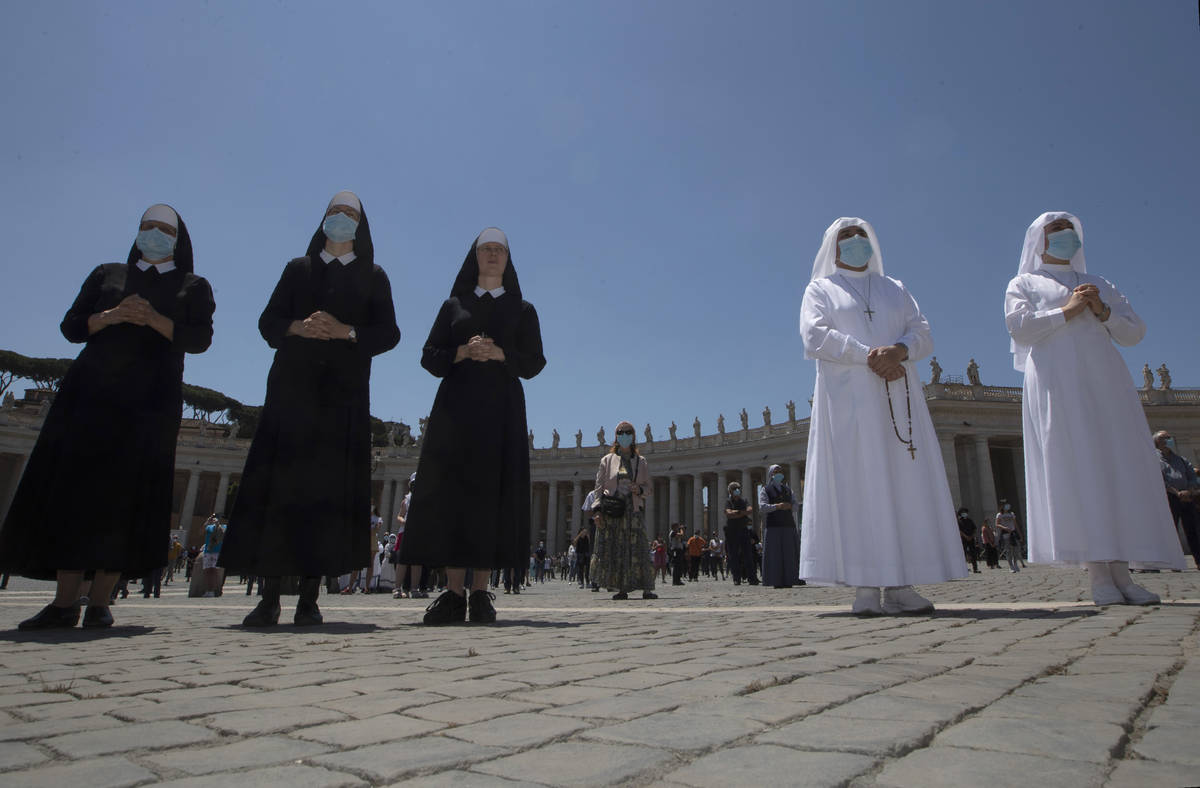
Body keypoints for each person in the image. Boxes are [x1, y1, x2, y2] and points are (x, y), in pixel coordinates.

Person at [0, 204, 214, 629]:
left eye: (163, 229)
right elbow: (72, 326)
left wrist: (154, 319)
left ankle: (101, 601)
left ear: (178, 239)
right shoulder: (107, 274)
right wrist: (113, 316)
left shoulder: (193, 285)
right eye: (146, 227)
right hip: (91, 394)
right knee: (72, 490)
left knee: (126, 495)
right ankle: (63, 602)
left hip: (151, 401)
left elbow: (200, 339)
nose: (154, 233)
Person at [220, 191, 400, 626]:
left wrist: (346, 332)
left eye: (350, 214)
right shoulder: (296, 269)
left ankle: (309, 597)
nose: (341, 219)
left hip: (343, 396)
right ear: (323, 221)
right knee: (281, 488)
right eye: (335, 212)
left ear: (361, 225)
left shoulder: (374, 275)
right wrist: (298, 326)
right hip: (292, 391)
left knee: (326, 493)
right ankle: (268, 597)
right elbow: (268, 322)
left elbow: (390, 333)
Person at [1005, 212, 1185, 604]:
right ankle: (1099, 576)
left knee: (1117, 468)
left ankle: (1124, 574)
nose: (1065, 236)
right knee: (1078, 469)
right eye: (1056, 231)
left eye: (1070, 231)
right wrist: (1068, 310)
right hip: (1057, 383)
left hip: (1106, 383)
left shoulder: (1100, 283)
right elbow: (1020, 328)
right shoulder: (1024, 283)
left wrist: (1102, 310)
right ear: (1040, 240)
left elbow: (1134, 332)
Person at [799, 217, 967, 615]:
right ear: (833, 248)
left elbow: (922, 330)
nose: (856, 242)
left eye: (862, 236)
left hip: (898, 393)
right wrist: (869, 355)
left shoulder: (896, 288)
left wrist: (901, 350)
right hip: (849, 402)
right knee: (858, 483)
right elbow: (814, 336)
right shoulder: (820, 289)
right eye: (847, 237)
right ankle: (865, 586)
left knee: (901, 483)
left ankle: (900, 584)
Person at [400, 227, 546, 624]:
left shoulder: (523, 308)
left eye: (499, 250)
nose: (493, 255)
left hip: (501, 411)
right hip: (455, 410)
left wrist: (501, 353)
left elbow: (535, 362)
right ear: (475, 257)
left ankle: (481, 592)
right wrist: (462, 351)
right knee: (452, 494)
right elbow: (430, 356)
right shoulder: (453, 306)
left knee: (492, 494)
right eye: (486, 250)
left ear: (508, 259)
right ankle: (451, 593)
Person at [589, 421, 657, 600]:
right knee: (618, 548)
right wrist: (596, 510)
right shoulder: (607, 460)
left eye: (628, 432)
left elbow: (650, 488)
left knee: (639, 546)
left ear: (633, 436)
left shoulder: (641, 462)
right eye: (620, 432)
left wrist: (639, 490)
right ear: (616, 436)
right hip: (614, 510)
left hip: (633, 509)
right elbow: (598, 487)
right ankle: (621, 588)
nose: (624, 435)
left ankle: (646, 588)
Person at [1155, 431, 1200, 568]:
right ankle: (1173, 561)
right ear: (1158, 442)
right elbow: (1160, 480)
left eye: (1169, 438)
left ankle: (1198, 559)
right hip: (1170, 498)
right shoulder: (1155, 459)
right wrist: (1176, 492)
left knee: (1193, 529)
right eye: (1165, 438)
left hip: (1187, 498)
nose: (1168, 440)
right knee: (1171, 531)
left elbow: (1192, 476)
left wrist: (1189, 490)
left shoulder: (1181, 459)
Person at [757, 464, 801, 588]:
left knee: (789, 554)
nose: (779, 474)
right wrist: (777, 506)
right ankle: (775, 580)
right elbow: (762, 507)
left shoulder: (788, 489)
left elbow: (796, 505)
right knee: (774, 554)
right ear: (771, 474)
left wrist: (791, 506)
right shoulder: (765, 489)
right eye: (776, 471)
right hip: (773, 527)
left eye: (780, 471)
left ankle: (791, 579)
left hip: (788, 525)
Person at [200, 515, 224, 597]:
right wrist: (207, 522)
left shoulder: (223, 526)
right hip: (208, 551)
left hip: (217, 552)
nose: (214, 520)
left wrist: (217, 524)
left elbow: (223, 533)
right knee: (207, 571)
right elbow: (201, 532)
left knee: (215, 572)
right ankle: (207, 590)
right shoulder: (209, 527)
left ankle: (215, 590)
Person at [994, 503, 1020, 573]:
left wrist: (1019, 533)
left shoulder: (1011, 514)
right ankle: (1010, 566)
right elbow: (997, 524)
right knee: (1008, 550)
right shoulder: (999, 514)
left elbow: (1015, 524)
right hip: (1005, 533)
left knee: (1015, 549)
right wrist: (1004, 527)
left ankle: (1015, 563)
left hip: (1013, 532)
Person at [957, 508, 980, 574]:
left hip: (971, 538)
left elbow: (974, 529)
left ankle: (975, 568)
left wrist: (971, 536)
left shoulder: (970, 520)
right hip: (963, 539)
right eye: (963, 512)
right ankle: (964, 569)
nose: (965, 513)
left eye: (965, 512)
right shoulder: (959, 521)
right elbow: (959, 531)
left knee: (973, 553)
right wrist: (966, 536)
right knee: (963, 554)